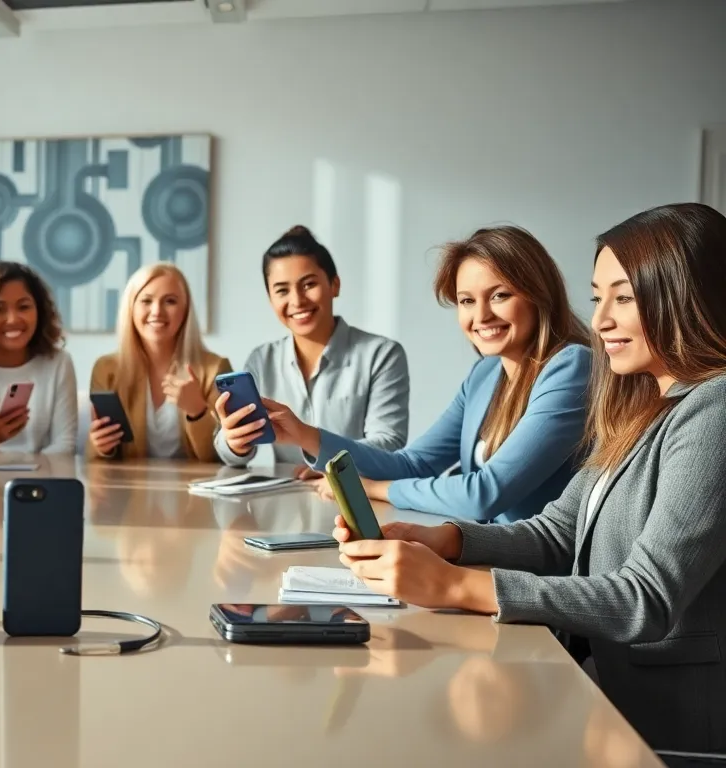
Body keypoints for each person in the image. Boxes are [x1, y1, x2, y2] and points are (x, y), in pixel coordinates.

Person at [332, 203, 726, 753]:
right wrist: (444, 540)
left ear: (686, 296)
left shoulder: (715, 407)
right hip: (615, 696)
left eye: (625, 296)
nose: (603, 319)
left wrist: (454, 585)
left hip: (682, 725)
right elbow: (557, 533)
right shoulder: (642, 406)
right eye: (597, 297)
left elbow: (644, 598)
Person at [299, 226, 592, 522]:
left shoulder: (572, 368)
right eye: (467, 301)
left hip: (536, 566)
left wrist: (375, 489)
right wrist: (302, 434)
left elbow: (484, 494)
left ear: (539, 295)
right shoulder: (485, 374)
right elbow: (413, 464)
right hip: (483, 550)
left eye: (500, 295)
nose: (481, 316)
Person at [215, 226, 409, 471]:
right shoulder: (261, 360)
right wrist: (234, 442)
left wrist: (326, 461)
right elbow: (231, 454)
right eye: (282, 290)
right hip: (284, 500)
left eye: (308, 284)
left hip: (357, 499)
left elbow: (388, 444)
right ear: (270, 299)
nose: (297, 300)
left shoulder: (382, 355)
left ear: (334, 285)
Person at [86, 263, 231, 460]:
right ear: (131, 309)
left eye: (170, 301)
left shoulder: (215, 369)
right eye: (146, 301)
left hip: (193, 487)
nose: (156, 311)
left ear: (186, 310)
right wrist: (101, 447)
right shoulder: (107, 369)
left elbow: (221, 458)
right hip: (131, 488)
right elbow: (96, 462)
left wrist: (197, 410)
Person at [0, 261, 77, 457]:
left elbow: (65, 444)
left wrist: (25, 474)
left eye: (23, 307)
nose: (12, 319)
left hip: (40, 478)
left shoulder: (59, 362)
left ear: (39, 311)